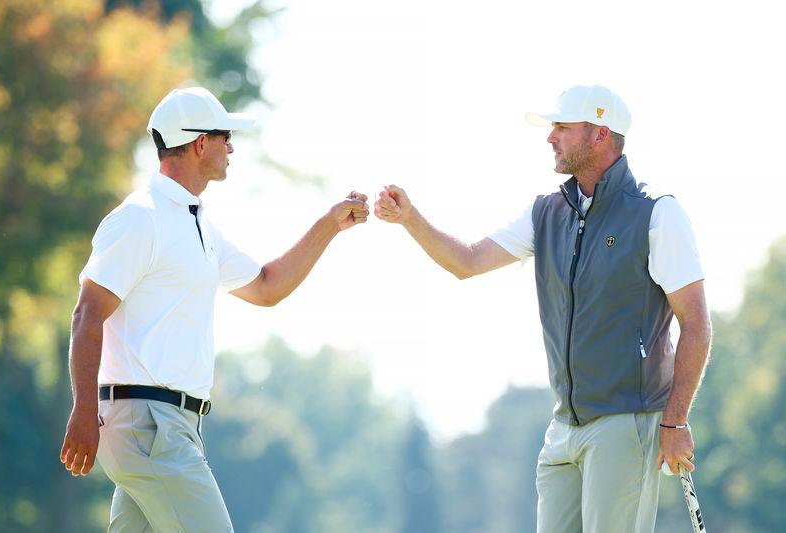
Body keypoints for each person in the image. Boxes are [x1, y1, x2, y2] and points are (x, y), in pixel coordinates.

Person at [374, 85, 712, 533]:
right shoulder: (546, 213)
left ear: (600, 135)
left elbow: (696, 325)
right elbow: (468, 261)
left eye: (562, 127)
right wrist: (410, 219)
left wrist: (675, 422)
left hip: (625, 422)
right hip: (563, 428)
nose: (551, 137)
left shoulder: (656, 214)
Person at [59, 87, 369, 531]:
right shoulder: (139, 218)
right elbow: (87, 313)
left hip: (166, 428)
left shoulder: (197, 224)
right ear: (199, 143)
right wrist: (83, 409)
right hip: (149, 426)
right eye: (224, 136)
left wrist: (330, 225)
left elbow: (266, 287)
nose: (231, 147)